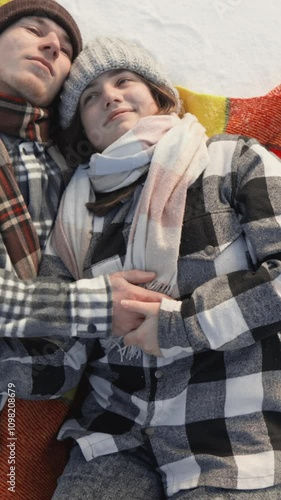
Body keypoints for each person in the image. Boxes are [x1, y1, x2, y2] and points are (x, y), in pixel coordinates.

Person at [37, 36, 281, 499]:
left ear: (159, 95)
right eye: (89, 98)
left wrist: (177, 326)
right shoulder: (74, 214)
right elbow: (53, 362)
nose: (108, 96)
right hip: (114, 436)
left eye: (124, 80)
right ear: (83, 131)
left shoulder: (232, 160)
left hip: (234, 438)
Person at [0, 2, 164, 497]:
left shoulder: (78, 161)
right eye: (34, 30)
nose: (54, 45)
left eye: (67, 47)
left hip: (65, 396)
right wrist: (96, 305)